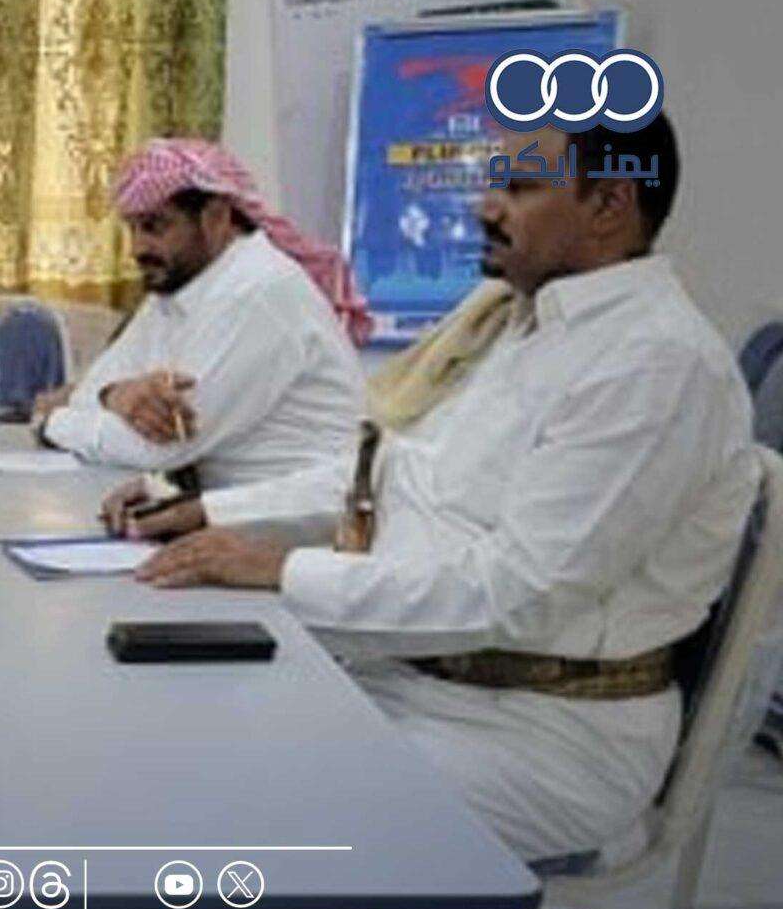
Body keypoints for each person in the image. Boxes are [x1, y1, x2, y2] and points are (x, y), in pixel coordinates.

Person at [124, 115, 759, 862]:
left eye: (518, 188)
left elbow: (516, 592)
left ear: (609, 204)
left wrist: (282, 571)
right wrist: (209, 512)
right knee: (167, 719)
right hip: (419, 678)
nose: (485, 208)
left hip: (537, 734)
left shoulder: (653, 365)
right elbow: (392, 474)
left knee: (227, 784)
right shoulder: (520, 324)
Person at [39, 139, 368, 490]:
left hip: (303, 510)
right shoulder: (178, 286)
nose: (137, 248)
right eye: (132, 229)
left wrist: (51, 423)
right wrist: (117, 394)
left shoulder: (257, 292)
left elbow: (158, 448)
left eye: (155, 226)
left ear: (216, 218)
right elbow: (89, 391)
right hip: (222, 504)